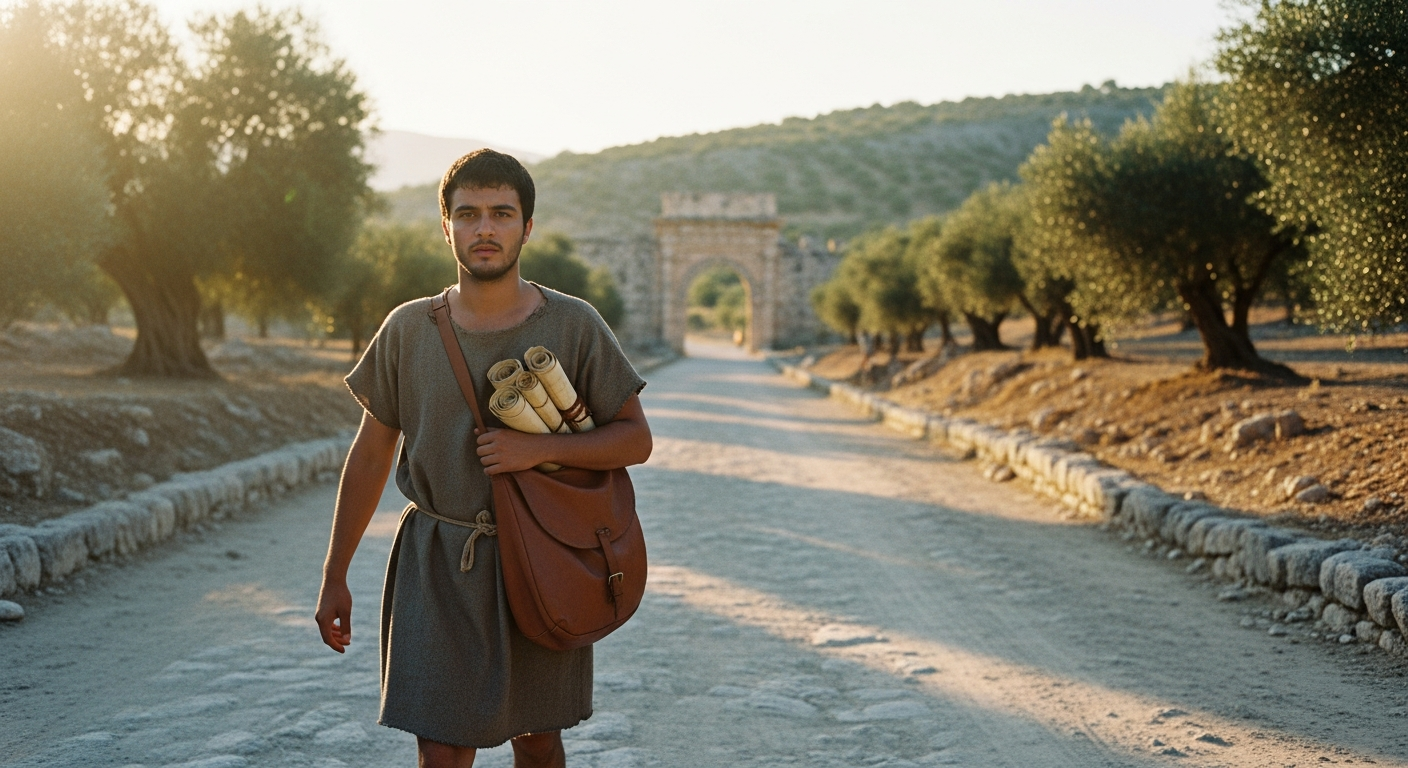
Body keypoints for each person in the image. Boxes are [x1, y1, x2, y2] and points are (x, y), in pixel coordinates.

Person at [314, 149, 652, 768]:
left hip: (546, 555)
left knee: (539, 738)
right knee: (441, 748)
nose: (485, 228)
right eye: (468, 214)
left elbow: (635, 439)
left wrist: (536, 449)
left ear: (528, 226)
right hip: (438, 562)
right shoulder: (407, 330)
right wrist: (335, 574)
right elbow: (368, 456)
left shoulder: (575, 326)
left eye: (502, 213)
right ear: (446, 226)